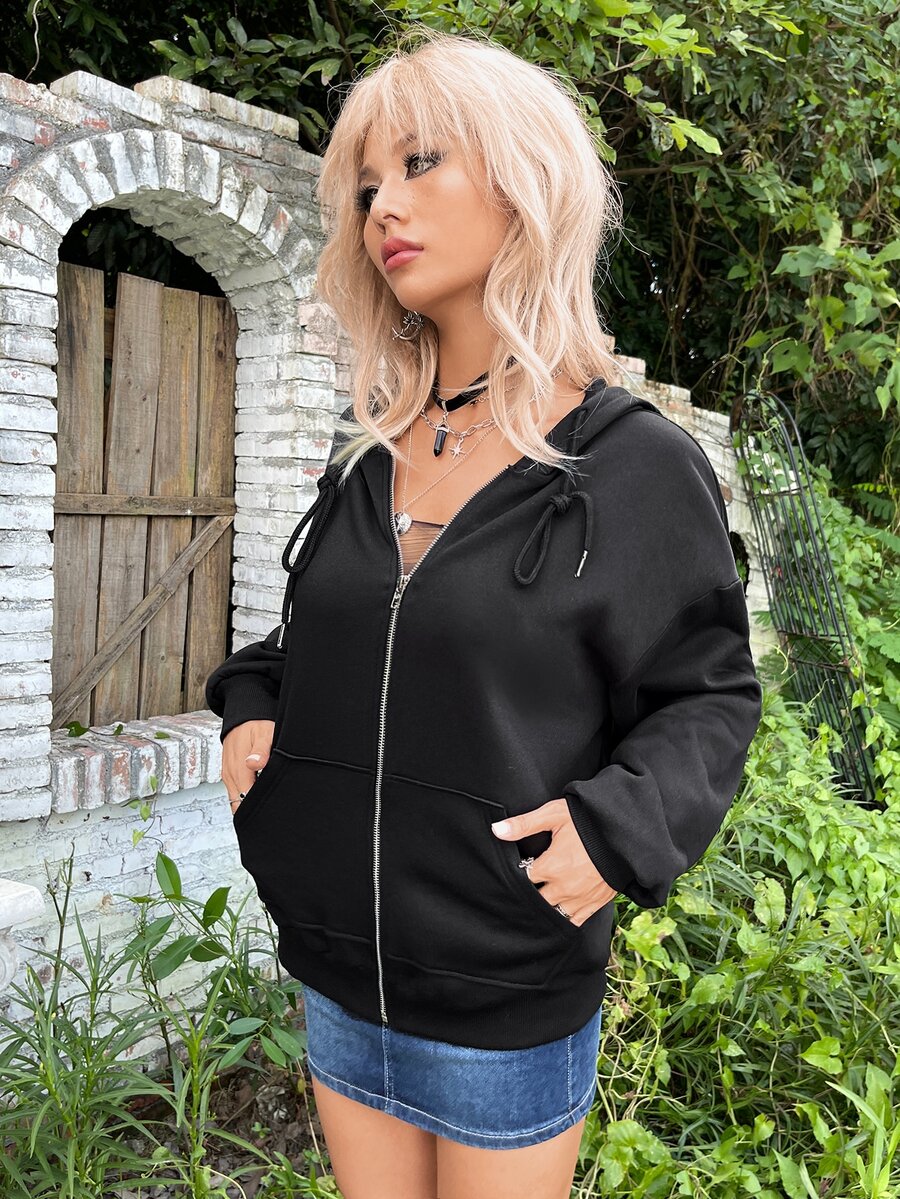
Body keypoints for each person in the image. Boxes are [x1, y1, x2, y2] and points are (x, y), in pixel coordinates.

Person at [205, 26, 763, 1199]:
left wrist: (621, 832)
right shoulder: (370, 452)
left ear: (525, 179)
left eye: (420, 164)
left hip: (507, 995)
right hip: (340, 978)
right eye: (368, 185)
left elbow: (709, 694)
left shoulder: (633, 464)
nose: (383, 208)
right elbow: (334, 637)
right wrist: (251, 699)